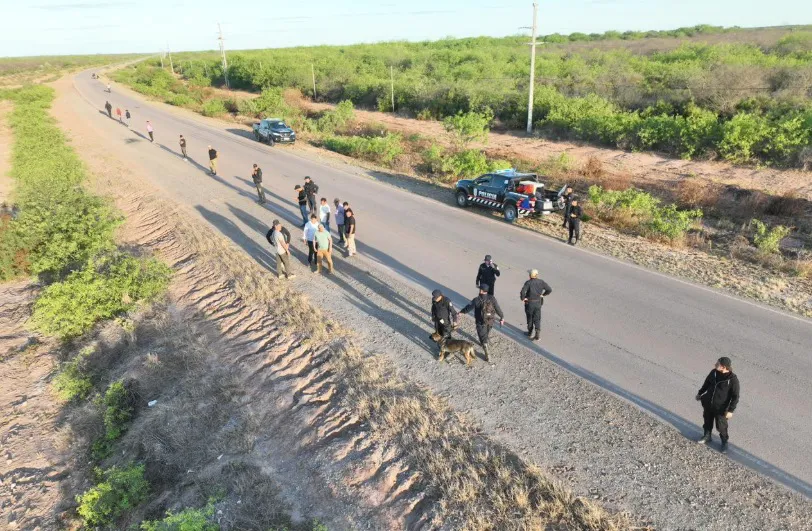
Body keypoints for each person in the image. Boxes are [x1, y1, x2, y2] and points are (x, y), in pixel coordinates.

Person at [695, 357, 740, 454]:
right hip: (708, 404)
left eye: (717, 363)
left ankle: (724, 442)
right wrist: (700, 393)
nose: (715, 364)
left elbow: (735, 397)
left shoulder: (733, 380)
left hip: (721, 409)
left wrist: (731, 411)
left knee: (721, 426)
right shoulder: (714, 373)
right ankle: (707, 436)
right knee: (707, 420)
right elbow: (706, 384)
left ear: (723, 367)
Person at [460, 285, 504, 362]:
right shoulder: (492, 298)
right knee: (486, 333)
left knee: (482, 337)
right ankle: (485, 341)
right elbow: (497, 308)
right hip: (490, 321)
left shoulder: (476, 300)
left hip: (480, 322)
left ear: (481, 291)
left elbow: (468, 308)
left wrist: (461, 312)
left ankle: (487, 355)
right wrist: (502, 317)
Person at [520, 269, 553, 341]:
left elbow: (523, 292)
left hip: (529, 303)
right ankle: (537, 335)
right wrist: (543, 295)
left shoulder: (528, 282)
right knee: (537, 318)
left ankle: (530, 333)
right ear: (536, 275)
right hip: (538, 303)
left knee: (530, 318)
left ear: (530, 275)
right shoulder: (541, 282)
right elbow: (549, 289)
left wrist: (523, 298)